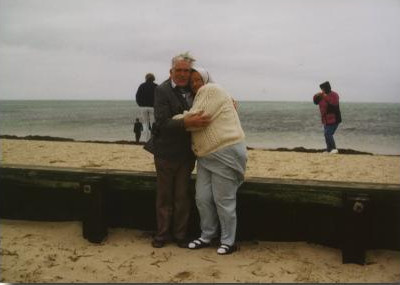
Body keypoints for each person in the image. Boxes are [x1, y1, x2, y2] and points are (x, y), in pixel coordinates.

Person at [173, 66, 247, 255]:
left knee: (224, 200)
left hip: (224, 151)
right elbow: (195, 118)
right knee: (203, 197)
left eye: (199, 80)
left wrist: (176, 119)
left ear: (207, 79)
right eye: (192, 82)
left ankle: (228, 241)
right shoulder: (202, 96)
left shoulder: (212, 90)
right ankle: (207, 235)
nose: (196, 84)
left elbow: (197, 119)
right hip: (206, 155)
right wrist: (187, 119)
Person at [149, 53, 211, 248]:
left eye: (186, 71)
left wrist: (231, 103)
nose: (183, 74)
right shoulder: (162, 90)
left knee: (182, 196)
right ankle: (162, 235)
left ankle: (180, 235)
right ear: (171, 71)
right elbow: (161, 122)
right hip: (165, 152)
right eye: (179, 70)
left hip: (186, 153)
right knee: (165, 196)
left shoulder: (196, 90)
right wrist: (186, 122)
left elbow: (214, 100)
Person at [313, 81, 342, 154]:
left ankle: (334, 149)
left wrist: (326, 97)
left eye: (323, 89)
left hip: (334, 118)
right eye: (321, 89)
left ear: (327, 88)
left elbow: (334, 104)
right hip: (325, 119)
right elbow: (315, 102)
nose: (322, 90)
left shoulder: (334, 95)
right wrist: (316, 95)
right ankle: (329, 149)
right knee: (326, 134)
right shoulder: (321, 95)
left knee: (328, 134)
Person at [135, 73, 157, 141]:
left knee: (145, 124)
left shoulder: (142, 86)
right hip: (153, 107)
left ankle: (147, 140)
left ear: (146, 78)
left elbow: (137, 96)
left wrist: (140, 104)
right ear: (153, 78)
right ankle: (153, 138)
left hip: (143, 107)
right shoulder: (156, 86)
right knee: (153, 123)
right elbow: (159, 97)